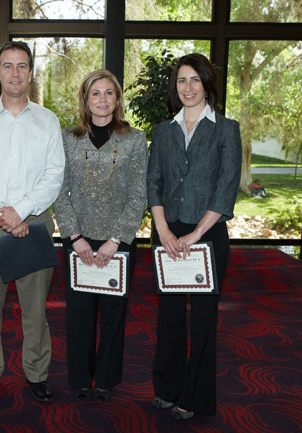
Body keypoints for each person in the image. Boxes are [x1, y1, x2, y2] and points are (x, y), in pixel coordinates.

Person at [0, 41, 65, 403]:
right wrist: (6, 214)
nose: (15, 73)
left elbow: (54, 175)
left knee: (35, 308)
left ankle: (37, 371)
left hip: (34, 224)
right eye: (8, 66)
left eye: (22, 66)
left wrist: (20, 212)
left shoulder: (48, 120)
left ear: (30, 72)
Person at [146, 53, 241, 420]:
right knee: (168, 316)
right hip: (167, 234)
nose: (188, 88)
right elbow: (153, 183)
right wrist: (164, 230)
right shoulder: (163, 131)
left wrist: (197, 234)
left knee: (203, 321)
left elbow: (225, 187)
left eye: (195, 80)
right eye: (182, 81)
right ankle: (166, 388)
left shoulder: (225, 129)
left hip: (208, 235)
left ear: (207, 85)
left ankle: (193, 396)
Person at [54, 69, 148, 402]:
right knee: (79, 316)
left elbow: (139, 194)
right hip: (77, 242)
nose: (103, 99)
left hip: (118, 244)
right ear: (85, 99)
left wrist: (116, 240)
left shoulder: (135, 139)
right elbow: (58, 190)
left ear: (117, 99)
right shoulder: (68, 139)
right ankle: (80, 379)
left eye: (109, 93)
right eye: (96, 93)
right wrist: (74, 237)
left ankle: (106, 380)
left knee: (112, 316)